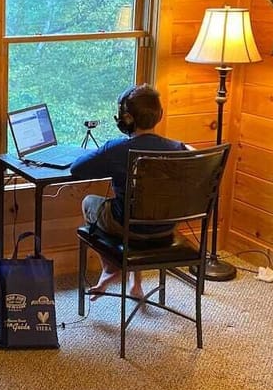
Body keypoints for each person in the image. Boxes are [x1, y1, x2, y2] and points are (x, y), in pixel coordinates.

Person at [70, 84, 188, 302]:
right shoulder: (178, 149)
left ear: (126, 119)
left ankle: (111, 267)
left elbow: (77, 169)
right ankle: (135, 283)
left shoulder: (116, 149)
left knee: (90, 202)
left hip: (128, 227)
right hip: (165, 228)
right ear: (159, 115)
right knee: (141, 207)